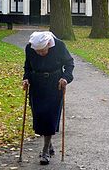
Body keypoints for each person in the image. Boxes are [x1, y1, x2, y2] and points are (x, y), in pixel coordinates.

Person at [22, 31, 74, 165]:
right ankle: (49, 145)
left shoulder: (59, 46)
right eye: (37, 51)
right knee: (39, 115)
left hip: (55, 84)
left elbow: (69, 63)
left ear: (48, 45)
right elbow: (27, 66)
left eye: (43, 50)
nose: (40, 53)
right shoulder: (30, 48)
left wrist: (65, 78)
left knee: (50, 116)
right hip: (37, 83)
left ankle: (45, 151)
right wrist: (26, 79)